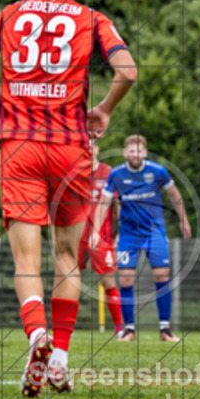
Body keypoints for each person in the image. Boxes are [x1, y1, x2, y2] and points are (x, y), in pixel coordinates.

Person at [0, 0, 137, 396]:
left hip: (19, 145)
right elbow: (128, 71)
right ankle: (58, 359)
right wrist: (105, 110)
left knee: (26, 258)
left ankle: (37, 334)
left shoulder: (10, 14)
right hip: (69, 148)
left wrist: (3, 99)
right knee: (66, 256)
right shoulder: (94, 19)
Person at [91, 134, 191, 342]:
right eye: (131, 151)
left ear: (144, 152)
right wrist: (95, 231)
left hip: (154, 232)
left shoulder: (158, 171)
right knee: (125, 279)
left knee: (162, 276)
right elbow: (104, 203)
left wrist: (183, 219)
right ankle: (129, 329)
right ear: (125, 153)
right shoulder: (116, 174)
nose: (135, 154)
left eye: (138, 151)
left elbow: (174, 194)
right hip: (128, 233)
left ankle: (165, 329)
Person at [77, 142, 124, 336]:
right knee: (68, 280)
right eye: (83, 146)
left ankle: (119, 328)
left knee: (108, 282)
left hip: (102, 237)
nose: (88, 150)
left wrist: (122, 231)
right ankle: (66, 328)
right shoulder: (74, 173)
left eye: (91, 146)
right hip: (75, 235)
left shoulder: (108, 172)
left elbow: (119, 203)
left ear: (97, 149)